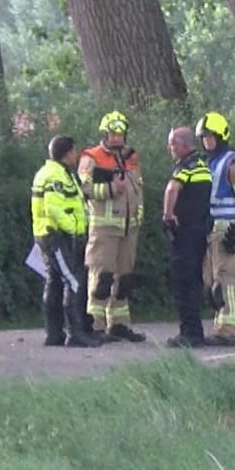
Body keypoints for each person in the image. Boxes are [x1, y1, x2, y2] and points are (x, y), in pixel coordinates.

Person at [76, 111, 148, 342]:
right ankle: (94, 326)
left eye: (120, 134)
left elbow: (137, 191)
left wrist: (138, 217)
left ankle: (118, 325)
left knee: (124, 280)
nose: (117, 138)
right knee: (101, 277)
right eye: (113, 134)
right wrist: (110, 189)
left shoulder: (131, 158)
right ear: (104, 134)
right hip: (104, 229)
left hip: (129, 229)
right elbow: (83, 189)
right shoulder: (91, 158)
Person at [31, 135, 104, 348]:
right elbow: (54, 208)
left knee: (54, 281)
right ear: (67, 153)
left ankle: (54, 334)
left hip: (49, 234)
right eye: (74, 151)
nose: (77, 155)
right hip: (56, 236)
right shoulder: (55, 176)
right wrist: (73, 229)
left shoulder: (57, 172)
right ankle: (75, 333)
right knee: (73, 281)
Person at [196, 111, 235, 346]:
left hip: (226, 231)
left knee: (226, 280)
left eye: (211, 137)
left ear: (221, 137)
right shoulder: (206, 163)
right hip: (210, 231)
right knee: (211, 283)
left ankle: (228, 331)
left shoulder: (232, 163)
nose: (207, 141)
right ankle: (220, 326)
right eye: (204, 137)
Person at [160, 126, 212, 348]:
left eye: (172, 144)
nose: (170, 148)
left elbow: (172, 189)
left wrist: (168, 215)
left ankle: (188, 333)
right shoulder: (203, 165)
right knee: (194, 282)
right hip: (200, 230)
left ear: (183, 144)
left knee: (183, 283)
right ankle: (196, 331)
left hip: (184, 232)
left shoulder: (185, 166)